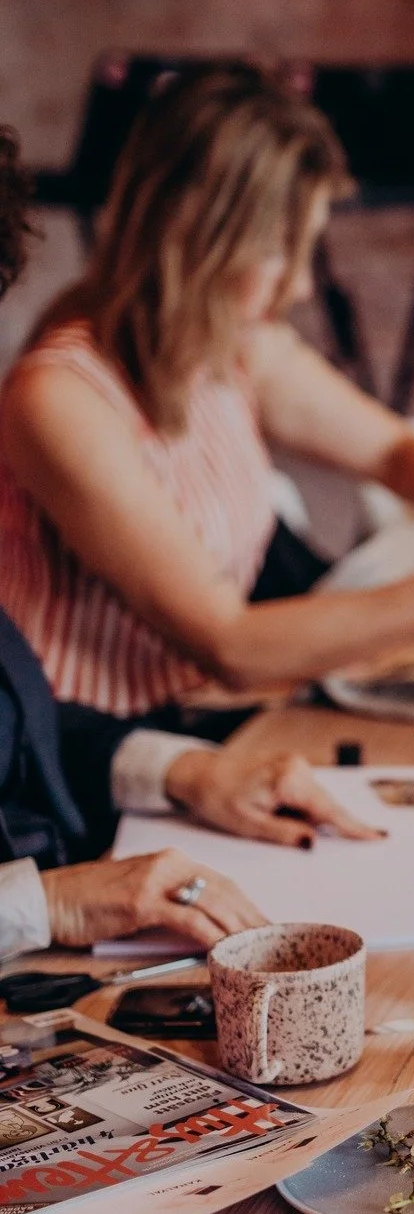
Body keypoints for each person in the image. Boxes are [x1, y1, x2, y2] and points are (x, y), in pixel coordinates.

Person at [0, 63, 414, 725]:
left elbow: (392, 452)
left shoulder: (236, 347)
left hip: (213, 719)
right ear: (198, 236)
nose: (301, 286)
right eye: (280, 250)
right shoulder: (61, 401)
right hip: (98, 761)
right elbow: (231, 644)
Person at [0, 123, 370, 960]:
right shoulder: (59, 392)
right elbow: (229, 643)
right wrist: (43, 903)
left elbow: (22, 721)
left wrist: (185, 772)